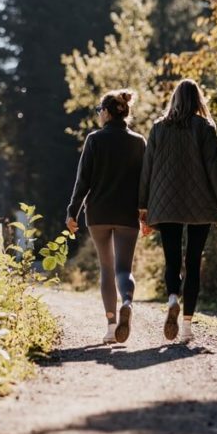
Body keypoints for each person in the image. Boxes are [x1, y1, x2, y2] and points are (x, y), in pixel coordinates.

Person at [139, 79, 217, 343]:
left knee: (172, 259)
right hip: (200, 204)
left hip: (164, 203)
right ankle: (188, 327)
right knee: (193, 262)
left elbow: (147, 169)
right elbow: (215, 168)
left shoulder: (158, 128)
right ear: (198, 99)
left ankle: (171, 299)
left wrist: (143, 207)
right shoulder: (205, 127)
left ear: (175, 100)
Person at [66, 89, 147, 344]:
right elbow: (145, 183)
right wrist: (146, 213)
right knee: (124, 268)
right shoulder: (138, 142)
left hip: (98, 214)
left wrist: (72, 212)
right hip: (127, 214)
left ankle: (112, 326)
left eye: (99, 110)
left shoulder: (94, 140)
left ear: (108, 112)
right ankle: (128, 302)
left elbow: (83, 181)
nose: (98, 115)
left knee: (107, 268)